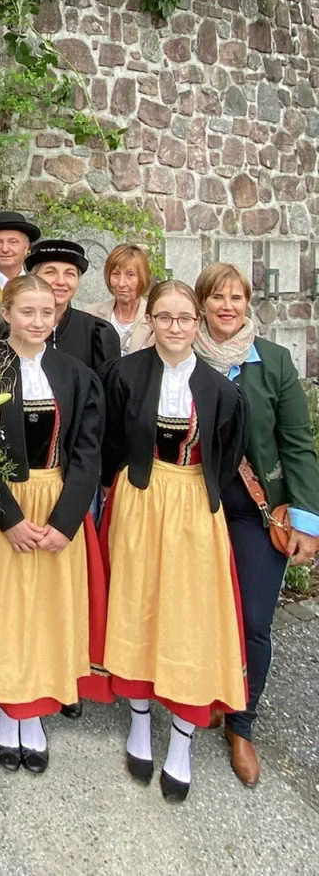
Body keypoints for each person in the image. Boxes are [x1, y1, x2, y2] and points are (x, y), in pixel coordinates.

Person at [0, 275, 110, 773]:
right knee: (4, 604)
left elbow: (86, 453)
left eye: (47, 312)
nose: (38, 321)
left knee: (45, 608)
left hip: (56, 500)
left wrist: (65, 521)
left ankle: (34, 706)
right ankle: (6, 705)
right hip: (1, 507)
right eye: (27, 311)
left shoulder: (76, 375)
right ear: (6, 312)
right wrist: (9, 519)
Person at [100, 280, 250, 803]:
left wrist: (191, 491)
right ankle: (140, 719)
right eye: (164, 318)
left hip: (192, 508)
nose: (175, 327)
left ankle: (182, 738)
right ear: (151, 319)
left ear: (198, 322)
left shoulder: (223, 390)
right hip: (139, 498)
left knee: (189, 617)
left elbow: (227, 458)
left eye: (185, 318)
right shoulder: (124, 373)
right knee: (137, 606)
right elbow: (112, 441)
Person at [192, 263, 319, 788]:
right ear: (201, 305)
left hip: (254, 508)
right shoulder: (181, 357)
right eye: (217, 297)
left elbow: (297, 441)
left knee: (253, 618)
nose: (227, 306)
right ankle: (205, 696)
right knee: (200, 611)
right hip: (192, 506)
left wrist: (308, 519)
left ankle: (241, 723)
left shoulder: (275, 363)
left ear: (247, 305)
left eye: (236, 298)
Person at [0, 240, 121, 376]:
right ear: (33, 277)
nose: (60, 281)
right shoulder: (3, 326)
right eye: (50, 272)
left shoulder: (95, 332)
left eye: (69, 274)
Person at [85, 244, 155, 355]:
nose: (121, 283)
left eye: (130, 275)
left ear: (142, 278)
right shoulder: (90, 315)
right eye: (115, 274)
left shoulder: (154, 320)